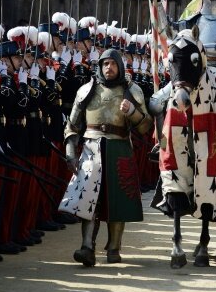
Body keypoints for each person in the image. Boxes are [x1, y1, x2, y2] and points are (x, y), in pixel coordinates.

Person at [59, 49, 151, 267]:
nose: (109, 68)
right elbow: (72, 125)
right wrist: (71, 153)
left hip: (119, 147)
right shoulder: (86, 89)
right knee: (88, 199)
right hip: (91, 149)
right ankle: (86, 247)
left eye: (113, 63)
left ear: (120, 65)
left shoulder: (132, 90)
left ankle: (114, 247)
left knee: (117, 199)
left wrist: (133, 112)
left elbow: (145, 126)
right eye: (105, 64)